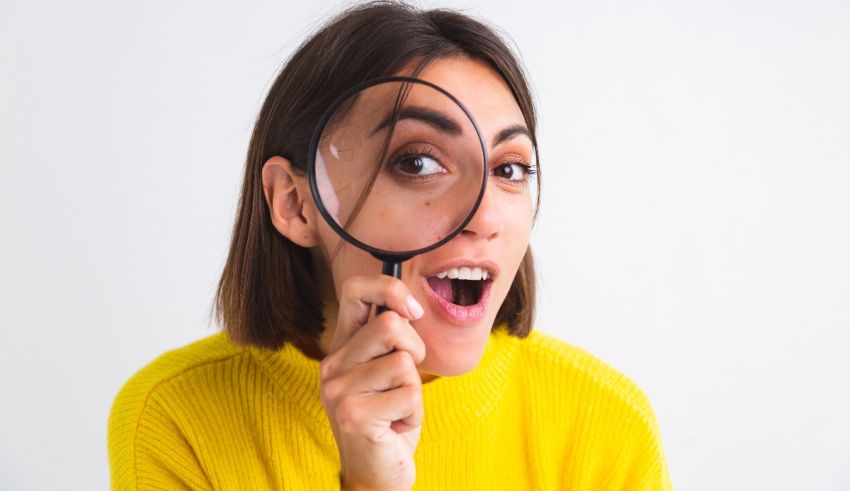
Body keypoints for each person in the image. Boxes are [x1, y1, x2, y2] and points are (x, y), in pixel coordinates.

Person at [107, 1, 674, 489]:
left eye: (510, 168)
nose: (484, 216)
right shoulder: (175, 419)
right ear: (295, 204)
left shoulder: (605, 423)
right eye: (419, 162)